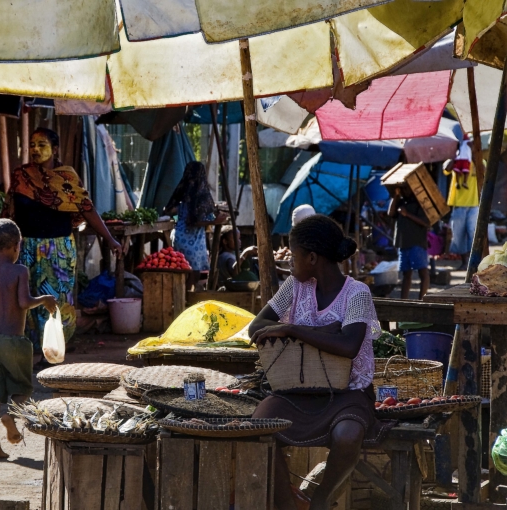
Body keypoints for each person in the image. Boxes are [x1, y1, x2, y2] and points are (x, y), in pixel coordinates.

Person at [248, 215, 387, 510]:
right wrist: (318, 331)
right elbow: (256, 326)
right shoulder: (294, 287)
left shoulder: (356, 293)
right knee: (259, 428)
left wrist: (293, 329)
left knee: (347, 435)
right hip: (296, 392)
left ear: (312, 258)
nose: (289, 262)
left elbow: (348, 346)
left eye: (293, 255)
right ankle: (288, 505)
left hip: (347, 393)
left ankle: (321, 501)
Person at [4, 127, 122, 358]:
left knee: (56, 298)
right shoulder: (21, 176)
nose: (35, 150)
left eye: (42, 145)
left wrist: (110, 239)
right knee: (25, 299)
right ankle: (29, 349)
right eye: (32, 145)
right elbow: (9, 212)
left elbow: (87, 209)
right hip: (26, 248)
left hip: (58, 250)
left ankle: (53, 351)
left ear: (55, 149)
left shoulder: (67, 178)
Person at [0, 219, 58, 459]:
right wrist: (45, 299)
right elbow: (23, 302)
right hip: (15, 342)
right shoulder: (20, 271)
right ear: (17, 246)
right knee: (23, 387)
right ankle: (10, 414)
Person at [164, 161, 228, 278]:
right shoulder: (202, 195)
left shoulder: (183, 193)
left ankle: (184, 289)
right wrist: (215, 221)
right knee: (194, 274)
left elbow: (169, 210)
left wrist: (181, 213)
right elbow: (195, 221)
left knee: (182, 271)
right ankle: (188, 290)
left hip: (178, 236)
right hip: (193, 240)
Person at [388, 187, 430, 300]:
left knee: (423, 272)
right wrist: (395, 197)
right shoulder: (401, 202)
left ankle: (422, 300)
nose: (405, 191)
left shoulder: (420, 203)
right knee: (406, 274)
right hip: (403, 243)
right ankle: (403, 301)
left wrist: (407, 214)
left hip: (417, 242)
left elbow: (426, 222)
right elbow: (390, 213)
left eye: (407, 189)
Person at [443, 156, 479, 271]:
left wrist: (474, 157)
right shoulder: (455, 160)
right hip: (458, 204)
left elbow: (484, 171)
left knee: (473, 233)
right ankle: (464, 262)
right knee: (458, 235)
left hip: (474, 203)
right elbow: (446, 169)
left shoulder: (478, 160)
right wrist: (455, 157)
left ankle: (473, 263)